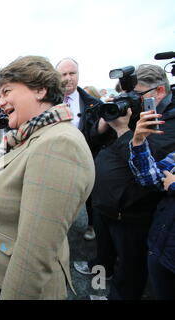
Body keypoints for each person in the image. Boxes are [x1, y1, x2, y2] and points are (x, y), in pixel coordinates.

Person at [0, 56, 95, 300]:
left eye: (6, 92)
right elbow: (5, 195)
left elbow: (34, 253)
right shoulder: (29, 135)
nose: (0, 102)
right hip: (3, 272)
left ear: (40, 89)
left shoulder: (58, 144)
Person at [80, 64, 175, 300]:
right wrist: (105, 122)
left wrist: (123, 129)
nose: (130, 100)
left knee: (129, 274)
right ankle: (101, 287)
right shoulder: (137, 110)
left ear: (159, 91)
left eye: (136, 95)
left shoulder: (169, 121)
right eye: (125, 96)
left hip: (132, 213)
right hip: (105, 206)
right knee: (103, 260)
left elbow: (146, 163)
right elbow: (94, 138)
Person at [129, 110, 175, 299]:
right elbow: (150, 178)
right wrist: (139, 142)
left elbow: (168, 184)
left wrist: (173, 185)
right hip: (162, 247)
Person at [56, 58, 103, 241]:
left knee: (91, 194)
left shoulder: (92, 103)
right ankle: (59, 226)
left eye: (72, 73)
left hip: (87, 158)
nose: (68, 78)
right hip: (58, 158)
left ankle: (92, 224)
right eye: (63, 74)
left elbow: (99, 137)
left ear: (78, 74)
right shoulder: (47, 101)